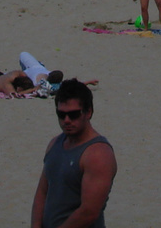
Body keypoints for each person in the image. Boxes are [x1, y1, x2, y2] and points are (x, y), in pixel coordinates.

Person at [31, 79, 116, 228]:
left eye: (74, 114)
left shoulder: (98, 154)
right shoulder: (54, 144)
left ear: (88, 112)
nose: (67, 120)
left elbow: (89, 211)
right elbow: (42, 193)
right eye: (61, 114)